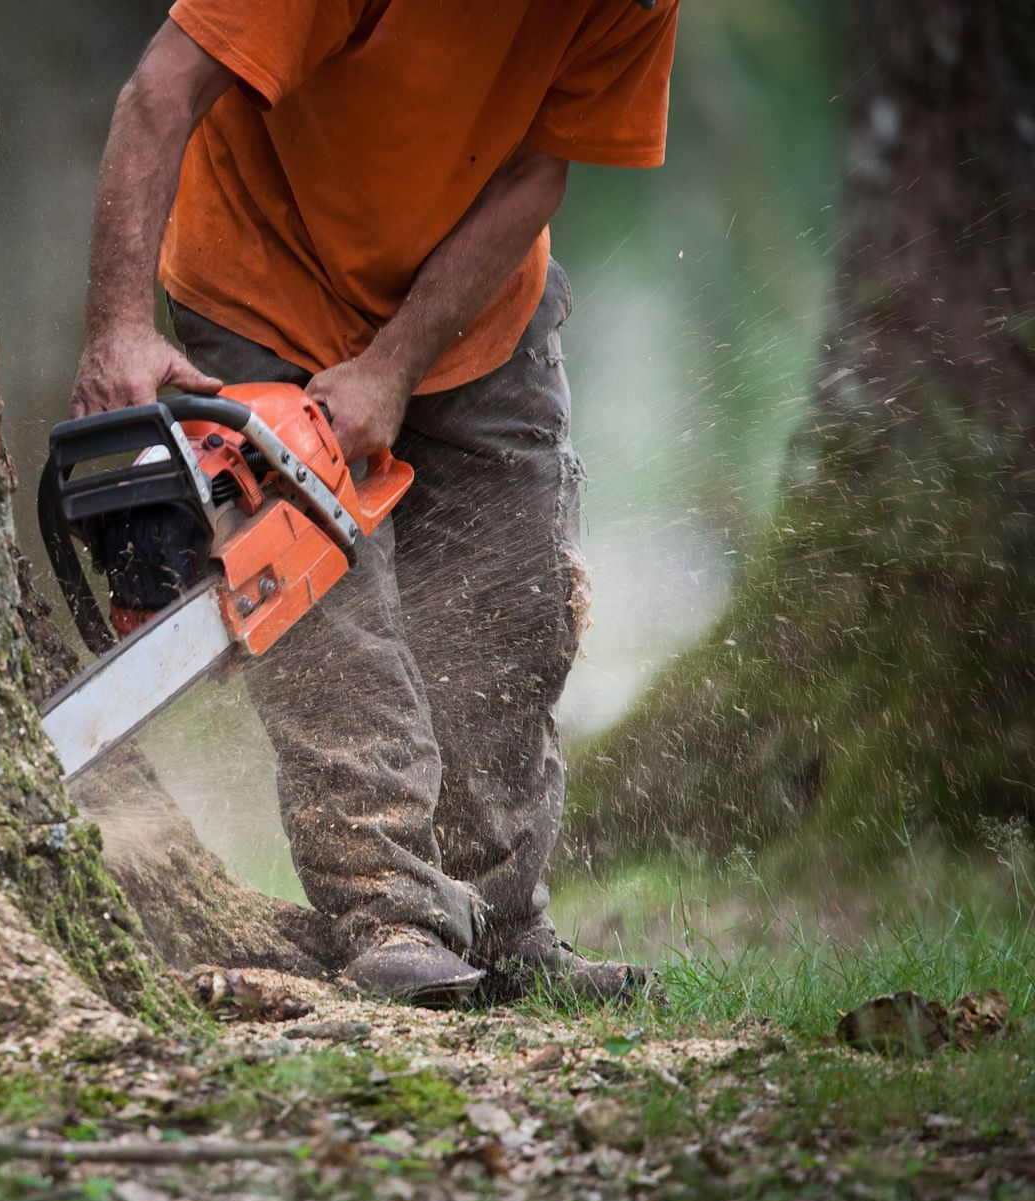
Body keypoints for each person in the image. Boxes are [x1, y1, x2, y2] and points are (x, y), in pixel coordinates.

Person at [69, 0, 679, 1005]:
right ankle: (387, 906)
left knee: (513, 607)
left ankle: (502, 920)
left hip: (478, 300)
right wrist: (119, 328)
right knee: (329, 618)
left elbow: (539, 166)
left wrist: (392, 365)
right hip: (261, 274)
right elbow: (160, 91)